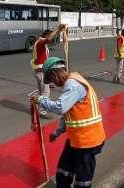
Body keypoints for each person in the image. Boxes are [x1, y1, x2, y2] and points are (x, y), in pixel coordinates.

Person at [31, 56, 106, 188]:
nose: (53, 83)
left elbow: (61, 107)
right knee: (63, 171)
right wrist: (57, 132)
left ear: (55, 73)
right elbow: (68, 114)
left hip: (87, 141)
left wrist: (41, 100)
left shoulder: (73, 85)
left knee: (82, 180)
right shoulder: (71, 83)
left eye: (51, 80)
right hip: (76, 139)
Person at [30, 25, 64, 118]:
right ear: (46, 35)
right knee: (46, 92)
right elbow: (49, 39)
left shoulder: (40, 43)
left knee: (41, 91)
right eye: (50, 36)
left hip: (39, 71)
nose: (51, 39)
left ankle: (36, 105)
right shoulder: (41, 42)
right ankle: (42, 111)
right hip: (40, 72)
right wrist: (58, 29)